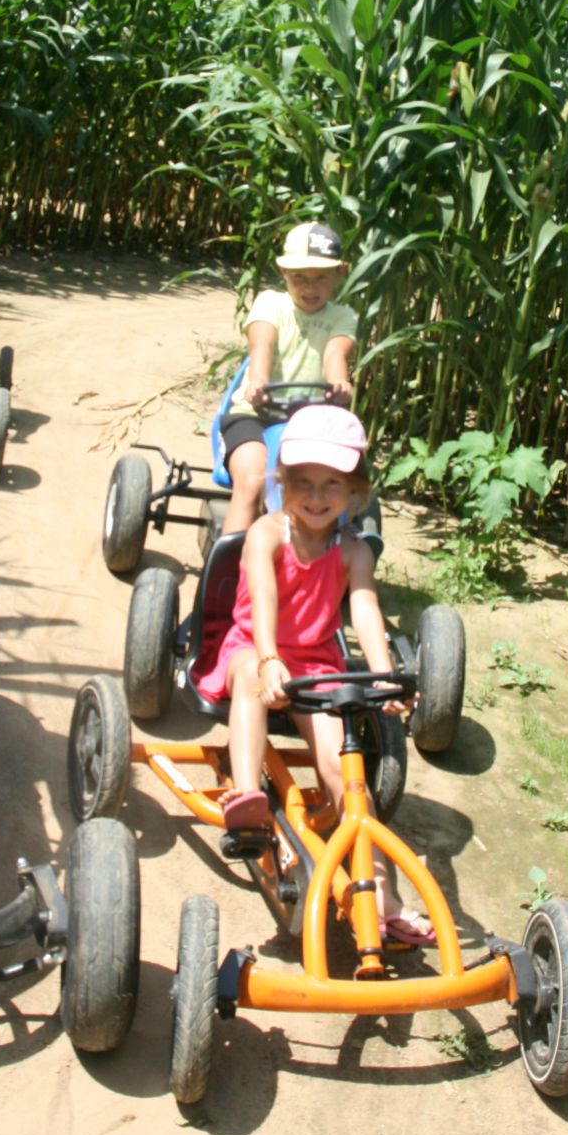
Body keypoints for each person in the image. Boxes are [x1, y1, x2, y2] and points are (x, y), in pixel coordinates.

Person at [199, 403, 434, 943]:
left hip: (317, 665)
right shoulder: (267, 533)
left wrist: (383, 677)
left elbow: (367, 612)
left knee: (344, 775)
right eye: (302, 481)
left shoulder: (353, 551)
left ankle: (384, 895)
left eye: (332, 483)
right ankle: (245, 794)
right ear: (282, 482)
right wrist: (269, 658)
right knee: (256, 687)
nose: (317, 495)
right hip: (253, 647)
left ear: (356, 493)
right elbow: (261, 599)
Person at [220, 219, 358, 534]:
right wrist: (258, 382)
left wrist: (339, 383)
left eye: (321, 277)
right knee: (254, 481)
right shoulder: (271, 303)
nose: (310, 288)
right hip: (254, 416)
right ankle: (230, 575)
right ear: (284, 272)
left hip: (311, 425)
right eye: (299, 278)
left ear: (340, 273)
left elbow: (335, 354)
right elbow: (262, 344)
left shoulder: (342, 317)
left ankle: (331, 561)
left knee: (326, 491)